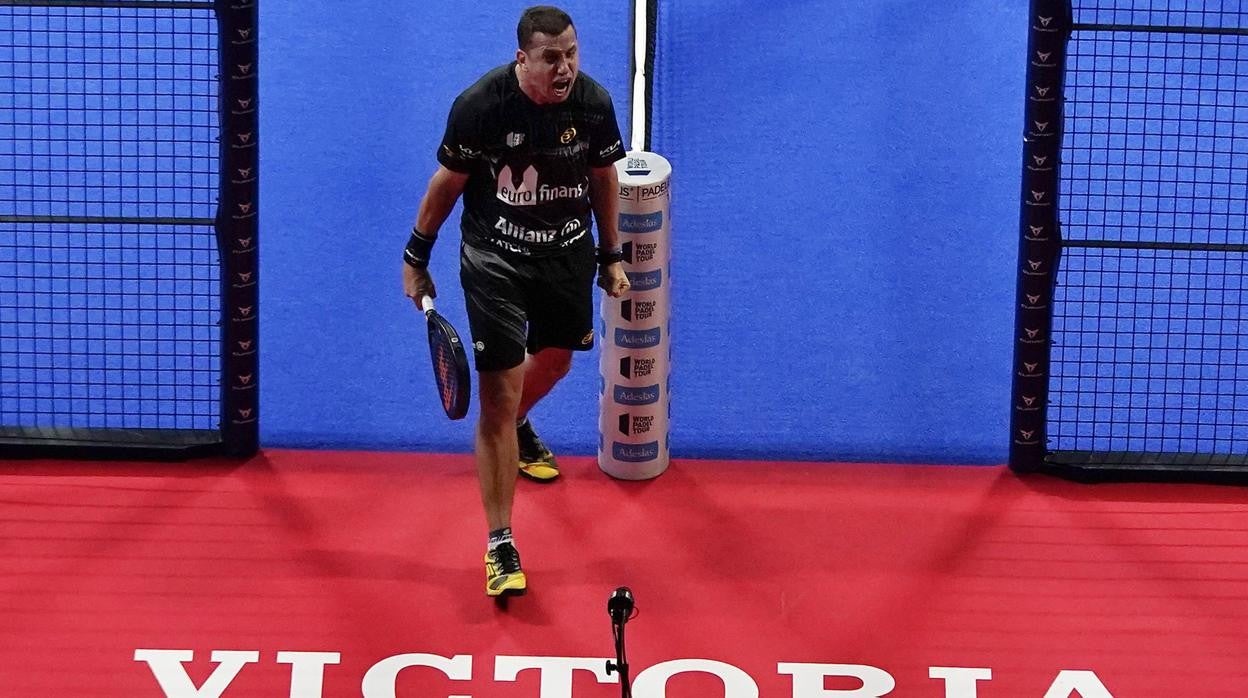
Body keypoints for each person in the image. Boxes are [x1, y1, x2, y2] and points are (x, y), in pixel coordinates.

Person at [401, 5, 629, 598]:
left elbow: (603, 178)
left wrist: (611, 254)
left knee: (557, 360)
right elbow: (447, 184)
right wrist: (416, 257)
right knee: (497, 396)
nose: (565, 68)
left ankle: (514, 422)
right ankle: (500, 541)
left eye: (571, 54)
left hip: (566, 253)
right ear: (523, 59)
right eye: (551, 58)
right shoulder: (481, 106)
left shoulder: (594, 105)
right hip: (494, 259)